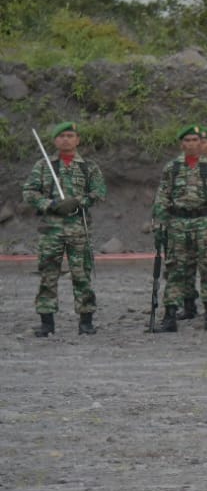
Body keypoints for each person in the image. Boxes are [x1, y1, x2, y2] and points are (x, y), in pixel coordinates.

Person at [23, 121, 107, 337]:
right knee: (48, 275)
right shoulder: (43, 166)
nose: (66, 139)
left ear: (77, 140)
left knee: (81, 275)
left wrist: (78, 202)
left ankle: (86, 321)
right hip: (51, 229)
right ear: (55, 141)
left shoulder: (88, 167)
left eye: (70, 135)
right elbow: (30, 192)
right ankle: (46, 323)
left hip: (78, 227)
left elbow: (99, 192)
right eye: (62, 136)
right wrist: (50, 205)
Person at [152, 124, 207, 332]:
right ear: (182, 144)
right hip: (178, 223)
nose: (191, 144)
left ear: (201, 143)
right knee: (176, 268)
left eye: (195, 140)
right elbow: (163, 195)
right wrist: (160, 220)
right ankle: (170, 316)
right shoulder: (173, 168)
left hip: (205, 221)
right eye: (187, 141)